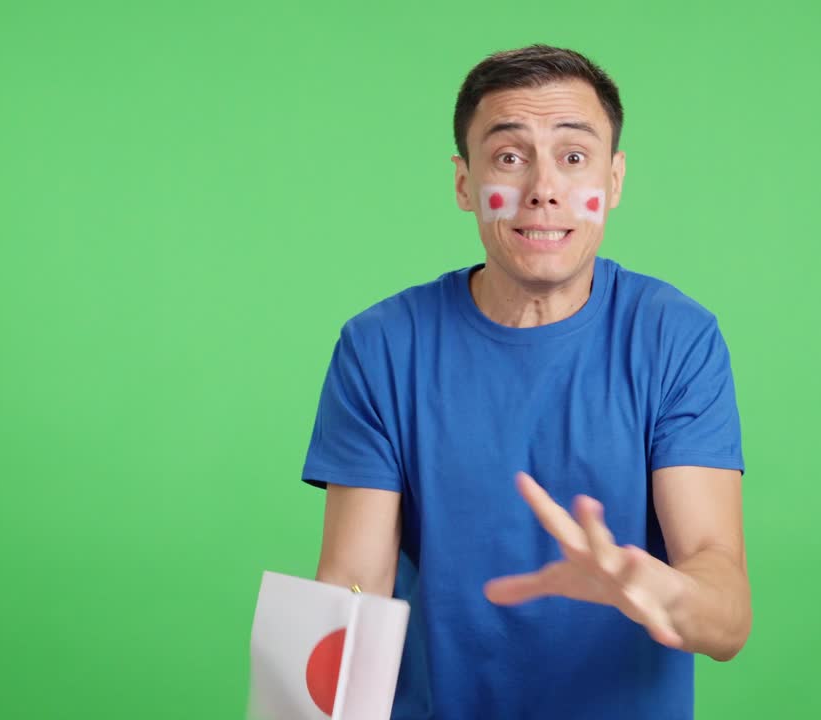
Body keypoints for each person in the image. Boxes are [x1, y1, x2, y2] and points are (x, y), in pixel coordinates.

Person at [302, 44, 749, 719]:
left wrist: (651, 587)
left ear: (615, 179)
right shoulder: (382, 346)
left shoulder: (675, 338)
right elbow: (353, 586)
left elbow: (726, 616)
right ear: (463, 182)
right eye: (509, 157)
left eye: (574, 157)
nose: (544, 188)